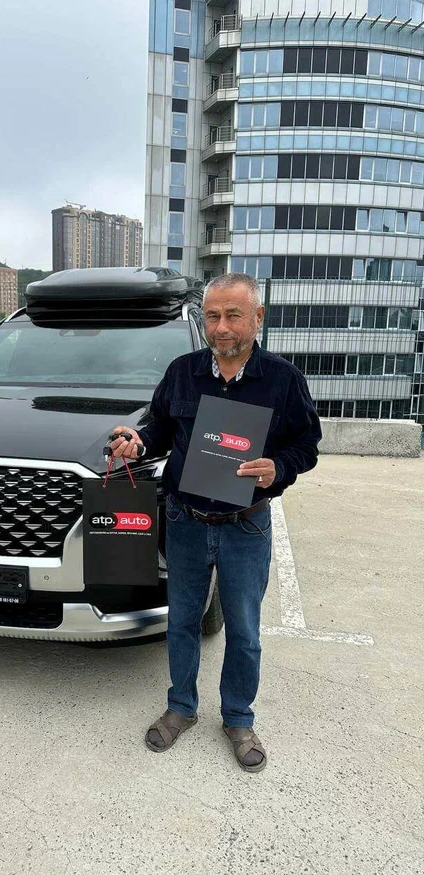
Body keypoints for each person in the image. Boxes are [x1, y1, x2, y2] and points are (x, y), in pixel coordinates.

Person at [110, 272, 321, 772]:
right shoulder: (182, 372)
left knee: (244, 630)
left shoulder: (283, 380)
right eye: (212, 316)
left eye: (232, 315)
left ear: (257, 317)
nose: (221, 327)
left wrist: (279, 467)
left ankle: (238, 717)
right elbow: (159, 428)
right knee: (182, 621)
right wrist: (138, 441)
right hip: (185, 520)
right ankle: (181, 707)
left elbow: (306, 445)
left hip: (245, 525)